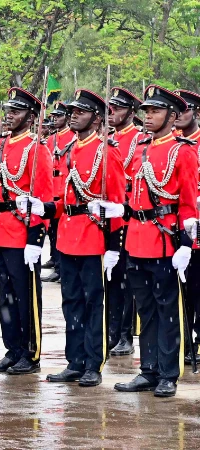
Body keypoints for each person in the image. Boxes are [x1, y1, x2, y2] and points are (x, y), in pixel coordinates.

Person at [23, 89, 125, 387]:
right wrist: (45, 208)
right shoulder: (69, 150)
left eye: (82, 111)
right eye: (73, 111)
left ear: (97, 118)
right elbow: (66, 198)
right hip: (67, 235)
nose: (74, 115)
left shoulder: (107, 151)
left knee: (94, 302)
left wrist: (113, 247)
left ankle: (94, 363)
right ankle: (75, 360)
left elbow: (116, 204)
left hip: (94, 237)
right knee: (72, 302)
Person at [113, 85, 197, 398]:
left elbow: (188, 204)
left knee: (167, 311)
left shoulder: (182, 150)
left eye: (156, 111)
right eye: (146, 111)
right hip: (136, 237)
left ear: (173, 116)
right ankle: (148, 370)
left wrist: (187, 245)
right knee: (145, 311)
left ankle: (168, 374)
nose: (148, 116)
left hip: (165, 240)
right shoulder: (139, 146)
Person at [0, 87, 53, 375]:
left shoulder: (37, 148)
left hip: (21, 230)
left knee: (26, 295)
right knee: (5, 296)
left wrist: (35, 239)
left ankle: (30, 352)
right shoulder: (2, 146)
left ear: (31, 117)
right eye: (8, 110)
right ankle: (11, 349)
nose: (9, 115)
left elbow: (43, 200)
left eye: (16, 111)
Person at [106, 87, 144, 357]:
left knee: (127, 280)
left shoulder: (140, 140)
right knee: (111, 278)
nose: (112, 114)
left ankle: (125, 335)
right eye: (109, 109)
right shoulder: (106, 140)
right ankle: (112, 330)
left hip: (128, 215)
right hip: (107, 214)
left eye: (117, 108)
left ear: (131, 111)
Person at [173, 89, 200, 363]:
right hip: (183, 224)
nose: (180, 115)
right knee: (186, 284)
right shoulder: (174, 146)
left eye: (186, 109)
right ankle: (185, 336)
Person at [43, 101, 75, 282]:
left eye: (58, 116)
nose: (54, 119)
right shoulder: (50, 138)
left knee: (62, 230)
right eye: (53, 116)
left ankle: (61, 267)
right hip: (52, 186)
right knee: (53, 230)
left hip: (63, 186)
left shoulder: (72, 136)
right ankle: (55, 261)